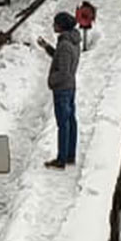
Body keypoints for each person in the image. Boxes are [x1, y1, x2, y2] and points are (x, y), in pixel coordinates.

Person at [38, 11, 80, 169]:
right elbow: (61, 58)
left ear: (61, 26)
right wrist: (47, 47)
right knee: (71, 121)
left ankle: (61, 159)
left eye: (55, 23)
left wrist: (52, 80)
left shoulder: (64, 45)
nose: (53, 25)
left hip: (62, 88)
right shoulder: (73, 42)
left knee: (63, 123)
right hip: (71, 85)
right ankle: (70, 155)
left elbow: (63, 70)